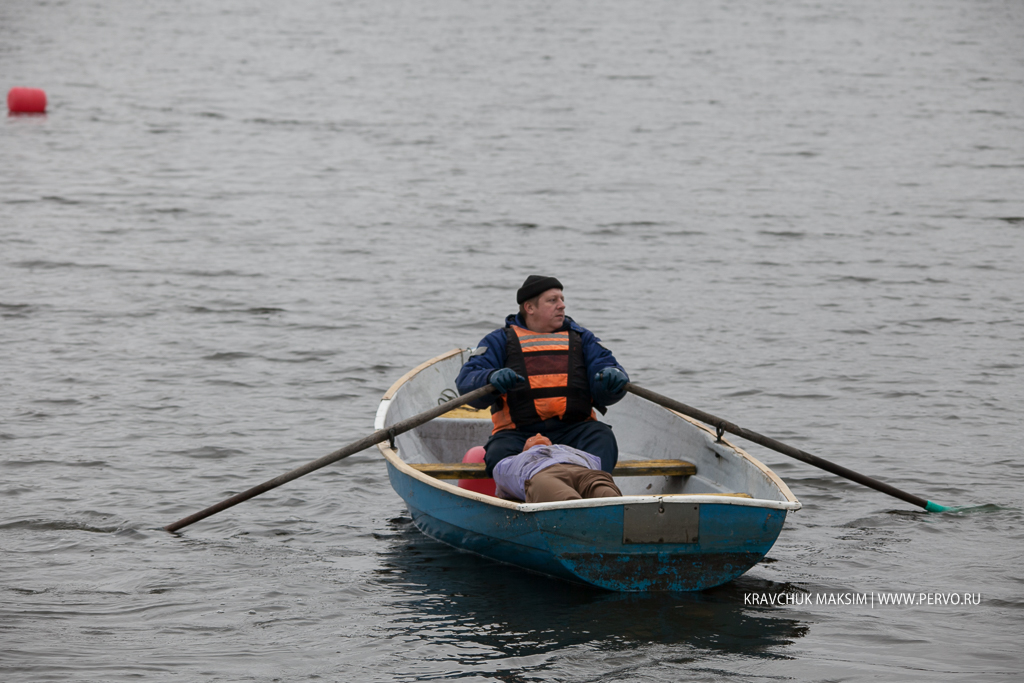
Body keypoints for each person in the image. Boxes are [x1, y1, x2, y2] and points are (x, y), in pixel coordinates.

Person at [455, 274, 629, 477]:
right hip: (518, 434)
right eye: (552, 300)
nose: (562, 305)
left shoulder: (584, 339)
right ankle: (530, 488)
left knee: (602, 437)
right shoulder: (499, 341)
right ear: (530, 308)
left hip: (576, 430)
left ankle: (590, 486)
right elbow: (467, 380)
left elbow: (606, 373)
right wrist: (490, 377)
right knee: (498, 453)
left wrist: (612, 380)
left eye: (562, 299)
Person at [493, 434, 623, 503]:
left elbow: (502, 479)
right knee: (572, 506)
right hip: (555, 473)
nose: (538, 435)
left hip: (578, 472)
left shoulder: (511, 461)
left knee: (610, 501)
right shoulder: (570, 450)